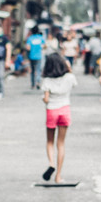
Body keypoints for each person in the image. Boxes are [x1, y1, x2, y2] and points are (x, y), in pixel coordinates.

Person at [40, 52, 77, 183]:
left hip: (52, 111)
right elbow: (73, 80)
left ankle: (51, 164)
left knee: (50, 141)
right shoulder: (69, 77)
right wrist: (68, 67)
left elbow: (46, 99)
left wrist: (45, 100)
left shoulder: (46, 80)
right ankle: (58, 176)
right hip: (65, 110)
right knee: (61, 143)